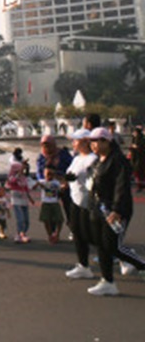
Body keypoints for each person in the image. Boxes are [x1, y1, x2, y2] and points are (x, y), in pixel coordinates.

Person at [85, 126, 145, 296]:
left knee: (112, 246)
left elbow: (122, 188)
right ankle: (107, 281)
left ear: (108, 141)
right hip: (98, 209)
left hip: (115, 210)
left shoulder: (118, 161)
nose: (94, 145)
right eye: (92, 142)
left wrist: (117, 209)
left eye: (98, 141)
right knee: (102, 246)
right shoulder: (98, 161)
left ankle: (141, 264)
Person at [64, 128, 98, 280]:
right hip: (76, 200)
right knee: (78, 234)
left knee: (93, 236)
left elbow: (92, 179)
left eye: (76, 140)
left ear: (85, 142)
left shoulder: (92, 159)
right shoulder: (77, 158)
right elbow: (70, 175)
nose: (73, 143)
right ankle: (83, 266)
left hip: (88, 203)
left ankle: (124, 258)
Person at [7, 157, 34, 244]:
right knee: (20, 218)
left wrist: (30, 198)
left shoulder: (24, 178)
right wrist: (20, 170)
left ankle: (24, 233)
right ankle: (19, 234)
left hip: (24, 199)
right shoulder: (12, 176)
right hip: (16, 200)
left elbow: (26, 188)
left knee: (26, 219)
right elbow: (13, 181)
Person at [35, 167, 64, 243]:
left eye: (51, 174)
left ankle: (57, 234)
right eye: (47, 174)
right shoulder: (42, 181)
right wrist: (37, 184)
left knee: (59, 219)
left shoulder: (56, 183)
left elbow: (60, 190)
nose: (49, 176)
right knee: (46, 219)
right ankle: (50, 235)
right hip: (46, 202)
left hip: (54, 202)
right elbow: (33, 187)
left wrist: (64, 184)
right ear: (44, 174)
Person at [128, 126, 145, 193]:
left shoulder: (142, 139)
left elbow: (141, 147)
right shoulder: (135, 138)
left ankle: (141, 185)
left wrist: (135, 147)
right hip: (135, 157)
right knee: (137, 172)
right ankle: (140, 185)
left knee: (139, 172)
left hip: (140, 158)